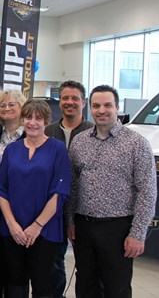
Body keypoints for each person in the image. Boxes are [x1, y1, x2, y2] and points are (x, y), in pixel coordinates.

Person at [67, 85, 157, 298]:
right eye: (96, 105)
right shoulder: (79, 142)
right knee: (85, 286)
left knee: (116, 288)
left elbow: (147, 192)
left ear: (117, 108)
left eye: (107, 105)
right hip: (84, 226)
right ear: (90, 108)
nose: (101, 110)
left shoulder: (136, 144)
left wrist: (137, 234)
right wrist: (70, 221)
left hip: (118, 228)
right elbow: (72, 185)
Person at [0, 99, 72, 298]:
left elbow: (60, 192)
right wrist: (12, 224)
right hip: (13, 229)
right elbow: (2, 189)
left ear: (46, 121)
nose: (32, 122)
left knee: (44, 284)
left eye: (38, 119)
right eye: (28, 117)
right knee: (15, 282)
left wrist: (36, 226)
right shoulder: (12, 150)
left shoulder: (57, 149)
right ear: (22, 120)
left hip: (45, 230)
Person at [44, 80, 94, 298]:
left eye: (75, 98)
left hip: (84, 211)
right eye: (65, 98)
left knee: (87, 267)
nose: (70, 102)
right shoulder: (48, 131)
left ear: (84, 103)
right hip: (52, 210)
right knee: (53, 263)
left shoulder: (93, 131)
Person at [0, 89, 26, 298]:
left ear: (22, 108)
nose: (7, 108)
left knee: (16, 268)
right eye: (3, 105)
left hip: (20, 209)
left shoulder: (31, 135)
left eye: (12, 104)